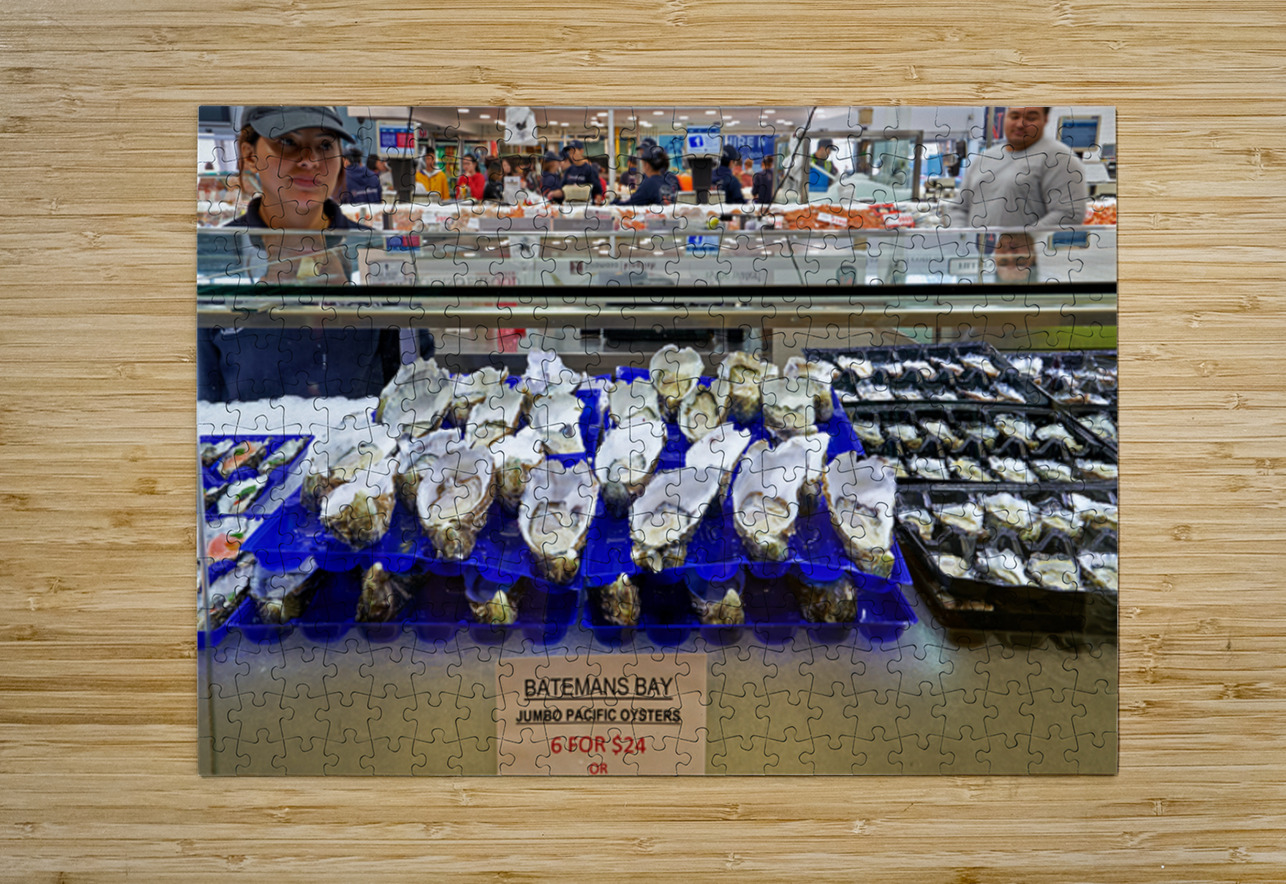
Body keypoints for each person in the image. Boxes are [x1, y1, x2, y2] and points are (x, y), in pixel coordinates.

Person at [199, 105, 424, 402]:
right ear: (250, 154)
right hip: (256, 446)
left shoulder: (373, 248)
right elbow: (202, 400)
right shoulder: (213, 254)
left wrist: (353, 310)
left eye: (325, 145)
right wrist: (260, 304)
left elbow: (413, 374)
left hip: (363, 444)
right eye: (288, 142)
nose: (311, 160)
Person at [945, 106, 1089, 229]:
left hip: (1026, 258)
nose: (1020, 124)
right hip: (979, 256)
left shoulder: (1060, 158)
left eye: (1031, 118)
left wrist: (1019, 243)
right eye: (1014, 116)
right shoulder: (984, 159)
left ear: (1045, 120)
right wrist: (962, 237)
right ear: (1006, 117)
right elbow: (959, 208)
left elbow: (1069, 214)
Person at [547, 140, 605, 204]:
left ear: (581, 151)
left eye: (573, 151)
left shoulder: (590, 170)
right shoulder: (569, 170)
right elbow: (562, 190)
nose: (571, 155)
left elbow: (598, 192)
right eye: (570, 152)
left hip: (586, 208)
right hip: (570, 208)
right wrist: (553, 193)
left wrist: (596, 209)